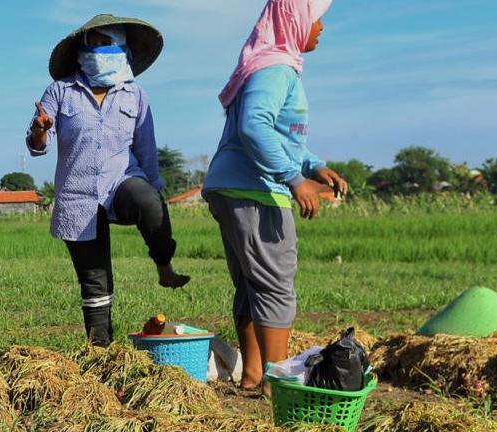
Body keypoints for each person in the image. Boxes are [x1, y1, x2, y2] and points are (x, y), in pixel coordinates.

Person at [202, 0, 347, 390]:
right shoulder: (275, 69)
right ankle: (275, 383)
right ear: (296, 21)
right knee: (274, 283)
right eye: (317, 20)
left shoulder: (271, 65)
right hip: (255, 190)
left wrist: (314, 166)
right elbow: (254, 127)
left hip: (232, 185)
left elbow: (282, 135)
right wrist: (293, 178)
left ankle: (252, 375)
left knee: (252, 284)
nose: (321, 28)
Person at [28, 14, 190, 347]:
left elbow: (146, 148)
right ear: (81, 50)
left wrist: (156, 192)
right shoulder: (60, 91)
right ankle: (100, 350)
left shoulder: (135, 95)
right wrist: (40, 131)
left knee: (149, 202)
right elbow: (36, 144)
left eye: (106, 44)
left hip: (122, 182)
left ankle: (164, 265)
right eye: (93, 44)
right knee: (94, 281)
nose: (98, 51)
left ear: (122, 50)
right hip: (78, 195)